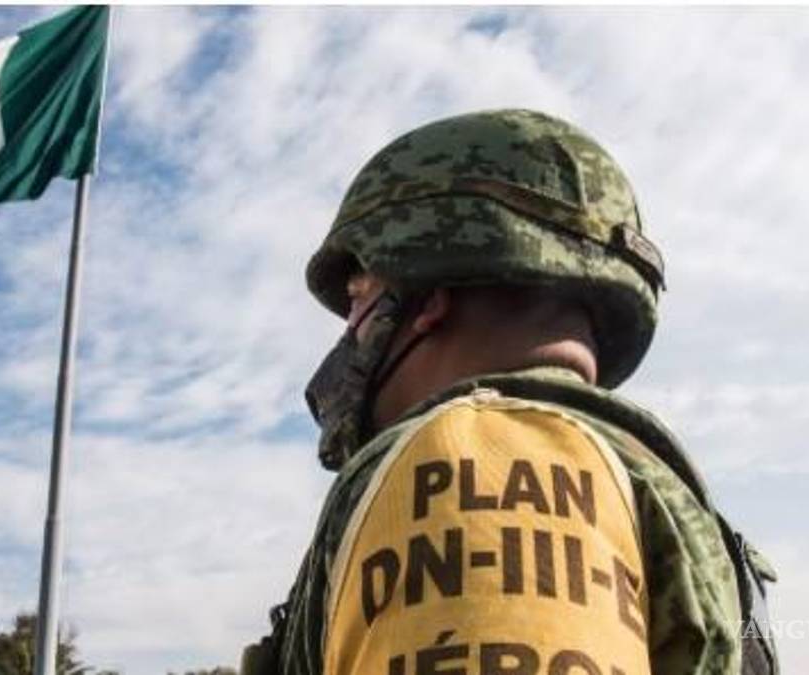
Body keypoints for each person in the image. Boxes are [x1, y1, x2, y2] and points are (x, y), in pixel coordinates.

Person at [240, 109, 778, 675]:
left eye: (358, 295)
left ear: (426, 296)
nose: (350, 328)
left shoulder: (473, 456)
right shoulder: (623, 468)